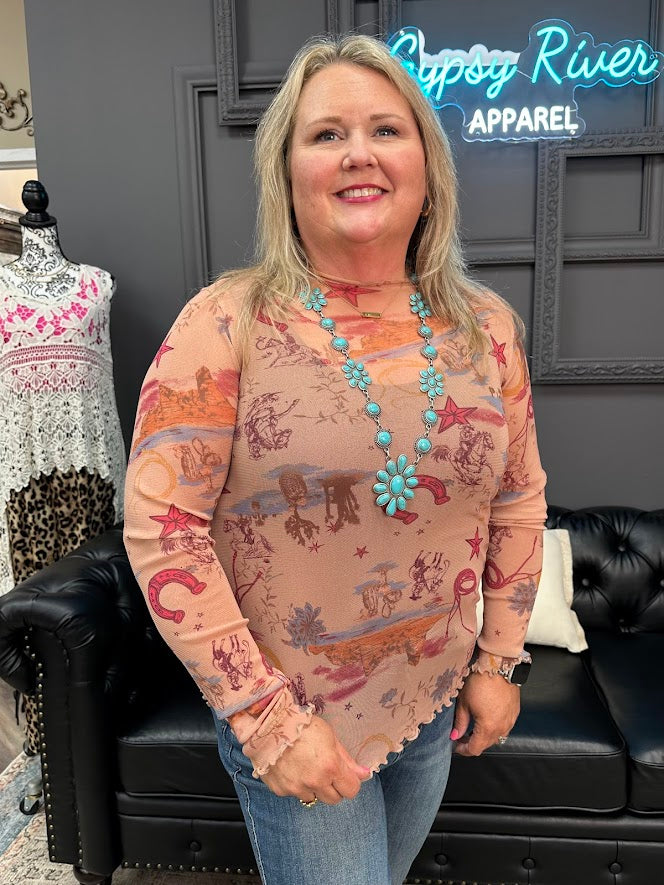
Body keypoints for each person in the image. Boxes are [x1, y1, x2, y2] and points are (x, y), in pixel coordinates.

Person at [123, 33, 547, 885]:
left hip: (431, 702)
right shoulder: (227, 321)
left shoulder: (485, 326)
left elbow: (518, 499)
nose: (360, 153)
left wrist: (499, 663)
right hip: (293, 713)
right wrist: (268, 722)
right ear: (286, 172)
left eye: (387, 130)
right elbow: (163, 530)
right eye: (326, 134)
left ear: (428, 165)